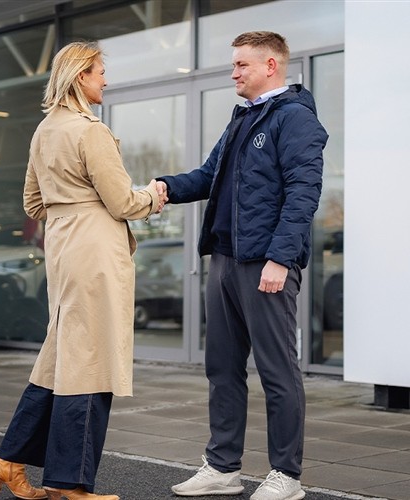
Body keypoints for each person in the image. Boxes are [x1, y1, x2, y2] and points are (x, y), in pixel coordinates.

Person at [0, 41, 166, 500]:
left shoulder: (44, 131)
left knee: (61, 358)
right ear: (81, 75)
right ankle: (70, 484)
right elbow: (122, 202)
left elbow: (33, 204)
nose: (105, 79)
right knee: (90, 362)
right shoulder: (91, 132)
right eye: (100, 71)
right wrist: (154, 195)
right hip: (95, 253)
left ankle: (10, 460)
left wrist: (69, 208)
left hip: (63, 249)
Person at [157, 31, 327, 500]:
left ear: (270, 66)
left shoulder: (295, 118)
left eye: (241, 65)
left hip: (266, 265)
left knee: (277, 371)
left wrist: (280, 259)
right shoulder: (243, 120)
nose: (233, 73)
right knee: (222, 368)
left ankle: (286, 476)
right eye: (233, 65)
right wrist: (162, 188)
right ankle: (222, 467)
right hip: (225, 261)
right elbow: (207, 178)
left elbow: (303, 194)